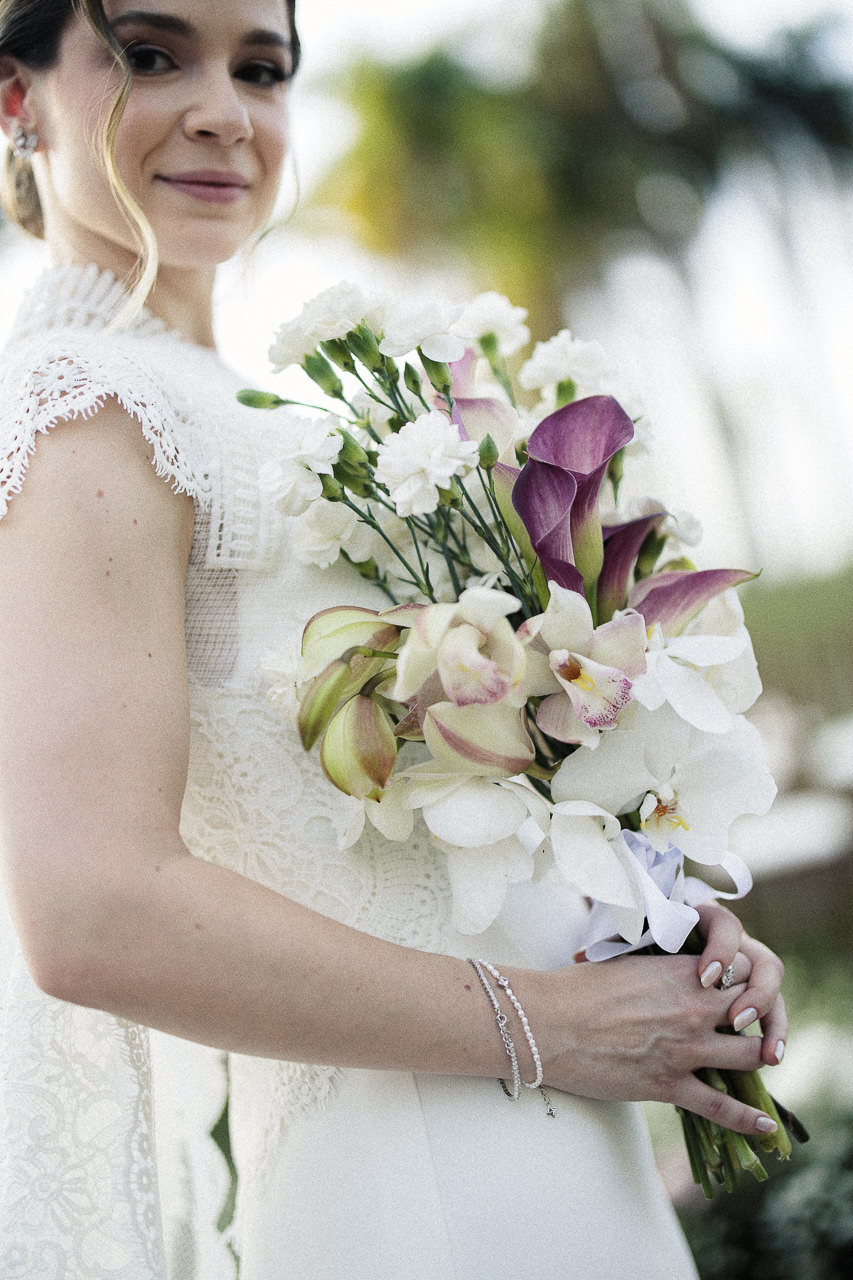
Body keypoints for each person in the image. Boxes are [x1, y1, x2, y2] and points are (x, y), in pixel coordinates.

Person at [0, 2, 788, 1277]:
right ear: (15, 100)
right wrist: (551, 1025)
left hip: (543, 1132)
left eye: (260, 68)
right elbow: (92, 908)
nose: (223, 110)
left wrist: (671, 938)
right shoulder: (92, 413)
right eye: (151, 54)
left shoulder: (267, 417)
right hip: (416, 1173)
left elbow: (442, 822)